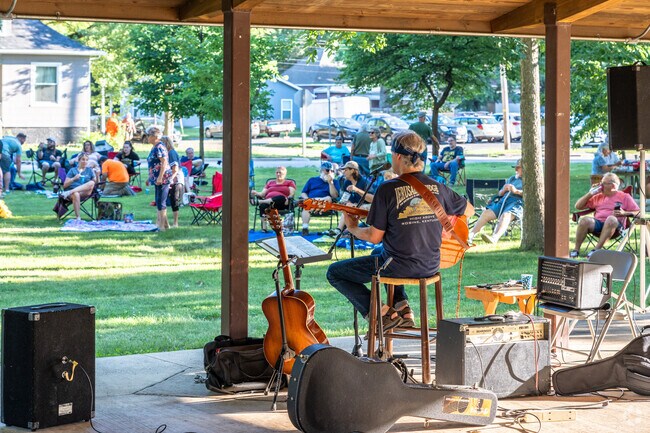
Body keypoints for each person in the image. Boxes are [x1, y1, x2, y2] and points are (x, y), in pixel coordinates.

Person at [327, 130, 473, 330]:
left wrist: (352, 227)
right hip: (431, 264)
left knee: (335, 273)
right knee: (379, 254)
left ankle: (383, 315)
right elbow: (470, 210)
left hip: (399, 266)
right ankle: (403, 308)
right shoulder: (437, 186)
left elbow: (374, 236)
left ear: (396, 157)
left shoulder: (387, 189)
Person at [571, 172, 639, 258]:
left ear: (613, 186)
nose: (600, 186)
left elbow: (639, 213)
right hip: (598, 223)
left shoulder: (625, 197)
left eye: (603, 183)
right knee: (585, 220)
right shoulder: (598, 196)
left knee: (611, 219)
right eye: (601, 183)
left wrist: (625, 213)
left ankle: (596, 251)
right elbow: (578, 206)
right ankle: (576, 250)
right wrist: (590, 193)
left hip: (615, 227)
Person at [468, 159, 523, 245]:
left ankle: (494, 238)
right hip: (503, 200)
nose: (516, 170)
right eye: (515, 168)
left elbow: (532, 195)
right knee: (486, 213)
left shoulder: (530, 181)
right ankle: (471, 235)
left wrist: (516, 191)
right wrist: (503, 190)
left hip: (517, 202)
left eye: (518, 168)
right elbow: (500, 193)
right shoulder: (512, 179)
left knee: (506, 215)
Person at [331, 160, 374, 235]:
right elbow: (344, 198)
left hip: (367, 207)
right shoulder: (346, 182)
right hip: (354, 207)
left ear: (353, 170)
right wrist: (347, 202)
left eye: (346, 170)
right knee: (347, 207)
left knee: (354, 208)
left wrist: (357, 190)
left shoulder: (364, 182)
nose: (343, 172)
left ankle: (348, 230)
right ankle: (339, 230)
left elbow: (372, 199)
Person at [250, 166, 296, 232]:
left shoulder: (289, 182)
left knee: (281, 197)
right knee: (263, 205)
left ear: (285, 174)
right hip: (270, 204)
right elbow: (262, 194)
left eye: (280, 172)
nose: (278, 174)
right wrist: (255, 192)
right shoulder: (270, 183)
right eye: (277, 172)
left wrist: (288, 198)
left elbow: (292, 193)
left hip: (283, 203)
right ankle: (264, 228)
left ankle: (259, 202)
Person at [299, 161, 339, 235]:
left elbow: (334, 196)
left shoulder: (335, 182)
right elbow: (303, 193)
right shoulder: (312, 180)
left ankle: (312, 201)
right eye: (327, 170)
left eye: (332, 171)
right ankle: (305, 228)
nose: (329, 172)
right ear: (321, 170)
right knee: (306, 206)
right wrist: (307, 199)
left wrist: (330, 183)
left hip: (325, 205)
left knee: (328, 198)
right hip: (311, 204)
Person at [146, 126, 172, 231]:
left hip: (163, 178)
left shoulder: (160, 147)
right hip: (156, 177)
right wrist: (150, 177)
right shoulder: (154, 147)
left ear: (154, 136)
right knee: (158, 200)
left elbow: (164, 162)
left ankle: (161, 227)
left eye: (148, 135)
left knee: (161, 201)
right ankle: (165, 225)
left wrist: (160, 177)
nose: (147, 137)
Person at [61, 153, 96, 219]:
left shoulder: (90, 170)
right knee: (76, 194)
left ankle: (70, 192)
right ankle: (78, 217)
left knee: (91, 182)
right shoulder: (72, 170)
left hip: (84, 192)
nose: (85, 161)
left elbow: (95, 183)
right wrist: (73, 179)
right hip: (74, 194)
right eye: (83, 159)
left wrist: (97, 173)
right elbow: (65, 185)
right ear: (78, 161)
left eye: (86, 160)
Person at [163, 136, 184, 227]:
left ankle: (176, 222)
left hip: (175, 179)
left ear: (166, 143)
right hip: (170, 178)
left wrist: (171, 179)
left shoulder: (171, 153)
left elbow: (175, 168)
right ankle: (165, 222)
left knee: (174, 200)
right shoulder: (167, 153)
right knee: (166, 200)